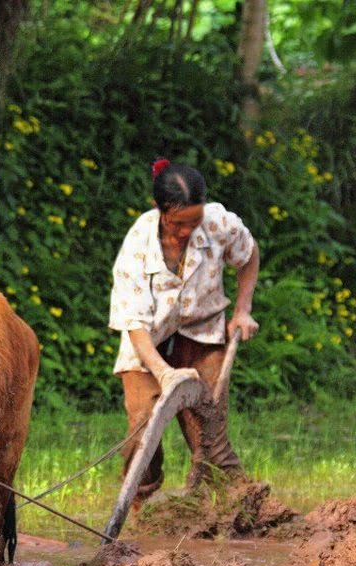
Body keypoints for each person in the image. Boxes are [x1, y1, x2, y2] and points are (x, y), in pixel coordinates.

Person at [108, 158, 260, 504]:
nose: (186, 231)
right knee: (143, 428)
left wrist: (242, 310)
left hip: (202, 333)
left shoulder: (219, 222)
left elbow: (249, 254)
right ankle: (141, 505)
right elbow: (134, 324)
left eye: (194, 221)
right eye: (178, 223)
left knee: (210, 431)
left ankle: (231, 505)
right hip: (147, 340)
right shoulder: (138, 246)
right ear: (159, 209)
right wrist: (164, 373)